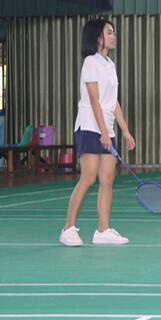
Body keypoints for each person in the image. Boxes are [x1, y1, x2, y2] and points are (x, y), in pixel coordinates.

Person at [59, 19, 136, 247]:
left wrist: (125, 130)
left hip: (106, 128)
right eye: (109, 32)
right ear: (97, 37)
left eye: (113, 32)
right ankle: (68, 228)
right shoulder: (90, 62)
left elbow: (112, 102)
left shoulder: (110, 64)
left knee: (108, 179)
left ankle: (103, 231)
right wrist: (103, 132)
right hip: (90, 126)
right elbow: (94, 101)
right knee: (89, 177)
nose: (113, 36)